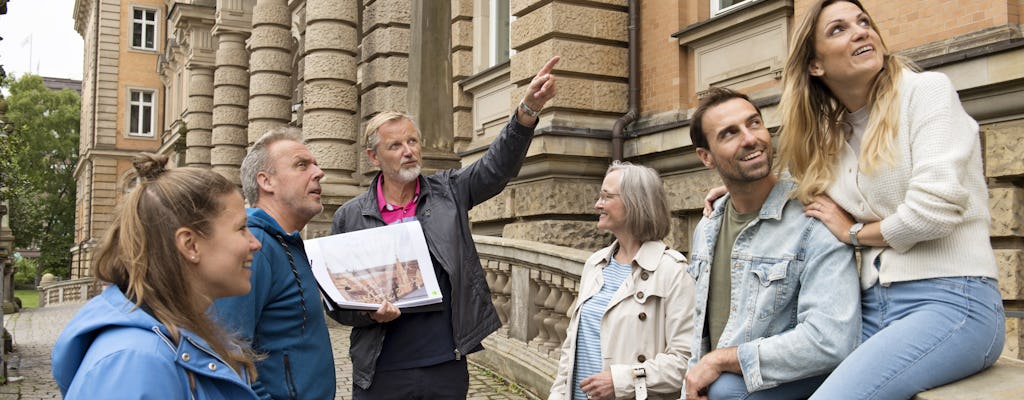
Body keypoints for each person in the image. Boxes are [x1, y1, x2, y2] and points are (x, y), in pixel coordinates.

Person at [777, 1, 1006, 398]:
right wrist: (736, 190)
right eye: (839, 29)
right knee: (734, 389)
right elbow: (795, 183)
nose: (861, 31)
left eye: (864, 22)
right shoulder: (834, 135)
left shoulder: (926, 92)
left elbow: (933, 211)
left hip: (954, 302)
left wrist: (854, 232)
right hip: (866, 310)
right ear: (815, 65)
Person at [329, 55, 560, 398]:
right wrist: (369, 315)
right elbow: (336, 303)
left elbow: (496, 167)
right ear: (374, 158)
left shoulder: (449, 192)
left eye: (412, 141)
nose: (409, 151)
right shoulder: (350, 217)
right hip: (381, 368)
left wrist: (526, 112)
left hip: (444, 365)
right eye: (395, 145)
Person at [683, 88, 860, 400]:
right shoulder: (707, 227)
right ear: (705, 156)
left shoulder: (814, 219)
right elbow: (701, 335)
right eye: (729, 134)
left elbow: (830, 339)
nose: (750, 139)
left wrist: (723, 360)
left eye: (754, 123)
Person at [51, 153, 262, 399]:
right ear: (190, 245)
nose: (255, 243)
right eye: (241, 228)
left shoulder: (179, 335)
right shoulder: (135, 362)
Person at [548, 161, 694, 400]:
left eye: (606, 197)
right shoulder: (595, 264)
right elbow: (571, 348)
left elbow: (684, 362)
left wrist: (623, 380)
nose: (598, 204)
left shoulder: (673, 270)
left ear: (636, 203)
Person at [211, 127, 335, 400]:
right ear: (266, 181)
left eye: (315, 163)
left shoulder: (284, 242)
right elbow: (226, 354)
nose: (319, 172)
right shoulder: (255, 246)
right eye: (302, 165)